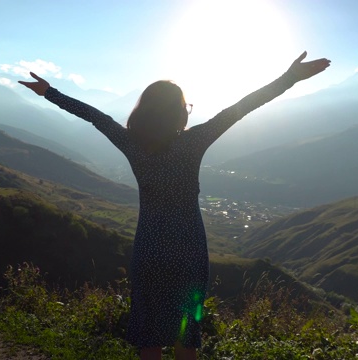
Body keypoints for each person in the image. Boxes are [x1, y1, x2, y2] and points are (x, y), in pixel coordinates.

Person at [19, 51, 330, 360]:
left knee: (150, 338)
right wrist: (290, 78)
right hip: (189, 249)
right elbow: (243, 107)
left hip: (149, 247)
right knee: (186, 338)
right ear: (177, 113)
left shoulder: (132, 144)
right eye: (185, 107)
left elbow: (94, 116)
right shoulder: (193, 142)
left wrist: (49, 93)